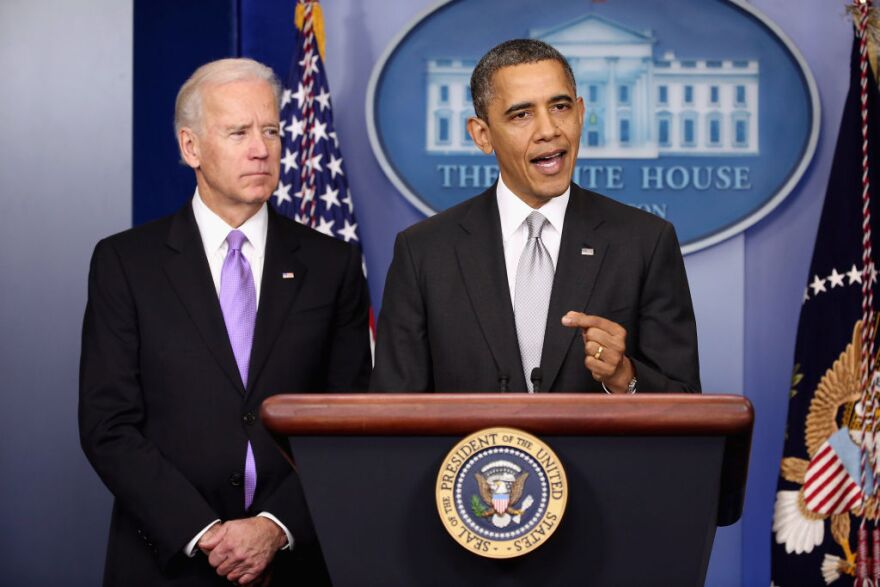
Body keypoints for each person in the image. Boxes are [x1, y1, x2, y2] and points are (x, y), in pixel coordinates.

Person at [79, 58, 371, 585]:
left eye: (271, 131)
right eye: (239, 132)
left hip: (294, 562)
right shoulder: (126, 263)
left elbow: (349, 419)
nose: (261, 149)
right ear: (190, 147)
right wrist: (204, 533)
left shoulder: (333, 265)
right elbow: (108, 424)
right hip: (167, 560)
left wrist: (274, 527)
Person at [371, 39, 699, 394]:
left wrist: (625, 377)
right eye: (522, 115)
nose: (548, 130)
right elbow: (394, 411)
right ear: (482, 135)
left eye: (560, 107)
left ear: (580, 113)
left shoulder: (645, 242)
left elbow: (685, 404)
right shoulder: (424, 252)